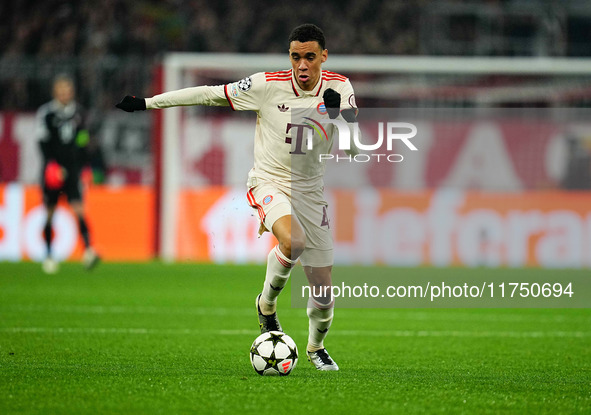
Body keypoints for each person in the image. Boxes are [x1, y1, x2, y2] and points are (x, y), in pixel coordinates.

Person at [116, 23, 359, 371]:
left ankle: (315, 348)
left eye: (309, 57)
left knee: (323, 294)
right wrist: (147, 103)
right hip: (270, 182)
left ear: (323, 56)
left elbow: (352, 149)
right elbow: (208, 93)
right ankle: (267, 305)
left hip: (311, 191)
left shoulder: (340, 87)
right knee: (294, 241)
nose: (302, 65)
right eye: (295, 57)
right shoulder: (266, 85)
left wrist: (338, 117)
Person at [36, 74, 100, 274]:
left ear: (71, 92)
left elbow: (83, 139)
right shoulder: (46, 114)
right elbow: (42, 142)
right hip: (53, 169)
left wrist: (85, 165)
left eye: (67, 90)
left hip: (72, 169)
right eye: (61, 90)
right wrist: (51, 165)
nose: (64, 94)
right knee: (50, 211)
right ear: (55, 92)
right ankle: (48, 255)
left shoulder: (78, 113)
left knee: (79, 208)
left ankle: (88, 250)